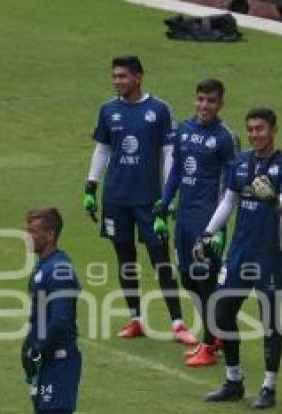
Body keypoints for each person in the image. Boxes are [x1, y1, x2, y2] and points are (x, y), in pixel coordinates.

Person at [84, 55, 197, 344]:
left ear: (138, 77)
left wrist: (169, 197)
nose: (117, 81)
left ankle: (178, 323)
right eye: (114, 76)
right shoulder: (108, 110)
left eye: (122, 76)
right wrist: (90, 187)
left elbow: (170, 152)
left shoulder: (158, 110)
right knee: (125, 260)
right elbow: (103, 150)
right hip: (116, 198)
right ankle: (135, 318)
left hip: (149, 200)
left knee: (160, 260)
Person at [195, 107, 282, 408]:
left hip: (270, 254)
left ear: (274, 129)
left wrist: (274, 199)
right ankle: (234, 380)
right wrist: (208, 233)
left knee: (269, 320)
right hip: (239, 251)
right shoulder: (240, 164)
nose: (254, 135)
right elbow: (229, 202)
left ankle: (268, 387)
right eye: (250, 129)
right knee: (222, 312)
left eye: (260, 129)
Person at [153, 78, 239, 367]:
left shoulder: (225, 138)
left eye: (211, 101)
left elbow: (231, 186)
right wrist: (164, 204)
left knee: (206, 281)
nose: (204, 106)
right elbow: (176, 169)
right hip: (184, 220)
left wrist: (216, 228)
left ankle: (210, 342)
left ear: (220, 104)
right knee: (189, 278)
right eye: (201, 99)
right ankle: (214, 338)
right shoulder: (184, 131)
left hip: (208, 223)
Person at [14, 206, 86, 414]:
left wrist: (38, 348)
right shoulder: (45, 266)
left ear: (50, 235)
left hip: (59, 361)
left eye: (33, 231)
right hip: (44, 361)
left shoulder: (60, 270)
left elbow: (59, 321)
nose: (28, 237)